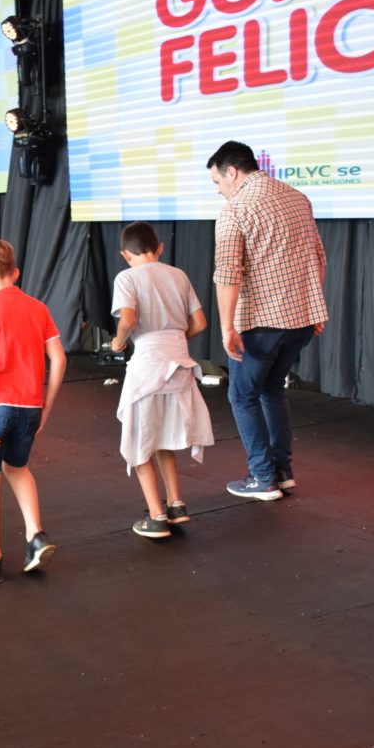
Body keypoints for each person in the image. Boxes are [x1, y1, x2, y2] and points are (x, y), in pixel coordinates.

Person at [207, 140, 328, 501]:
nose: (219, 191)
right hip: (301, 319)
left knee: (242, 395)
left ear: (232, 172)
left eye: (217, 183)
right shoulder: (296, 197)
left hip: (261, 323)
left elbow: (228, 273)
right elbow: (319, 257)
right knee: (271, 389)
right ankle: (282, 471)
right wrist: (313, 306)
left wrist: (227, 327)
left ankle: (263, 478)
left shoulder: (235, 210)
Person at [0, 238, 66, 583]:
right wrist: (45, 409)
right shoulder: (38, 308)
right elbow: (59, 359)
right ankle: (35, 536)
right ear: (15, 273)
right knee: (17, 468)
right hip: (30, 407)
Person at [110, 222, 215, 539]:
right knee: (164, 439)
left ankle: (156, 516)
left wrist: (118, 341)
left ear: (125, 254)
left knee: (140, 442)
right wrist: (175, 338)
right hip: (180, 364)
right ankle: (176, 504)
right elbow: (200, 322)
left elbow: (128, 319)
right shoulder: (178, 274)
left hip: (149, 367)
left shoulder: (127, 277)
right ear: (159, 248)